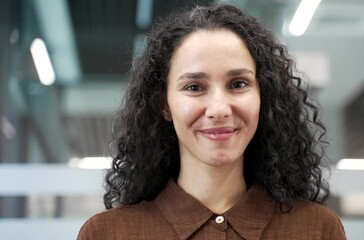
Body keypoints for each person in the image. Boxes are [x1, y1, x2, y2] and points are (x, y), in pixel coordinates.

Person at [77, 3, 346, 240]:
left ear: (263, 96)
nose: (219, 109)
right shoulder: (106, 235)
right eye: (194, 87)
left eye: (238, 84)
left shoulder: (317, 230)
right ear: (165, 105)